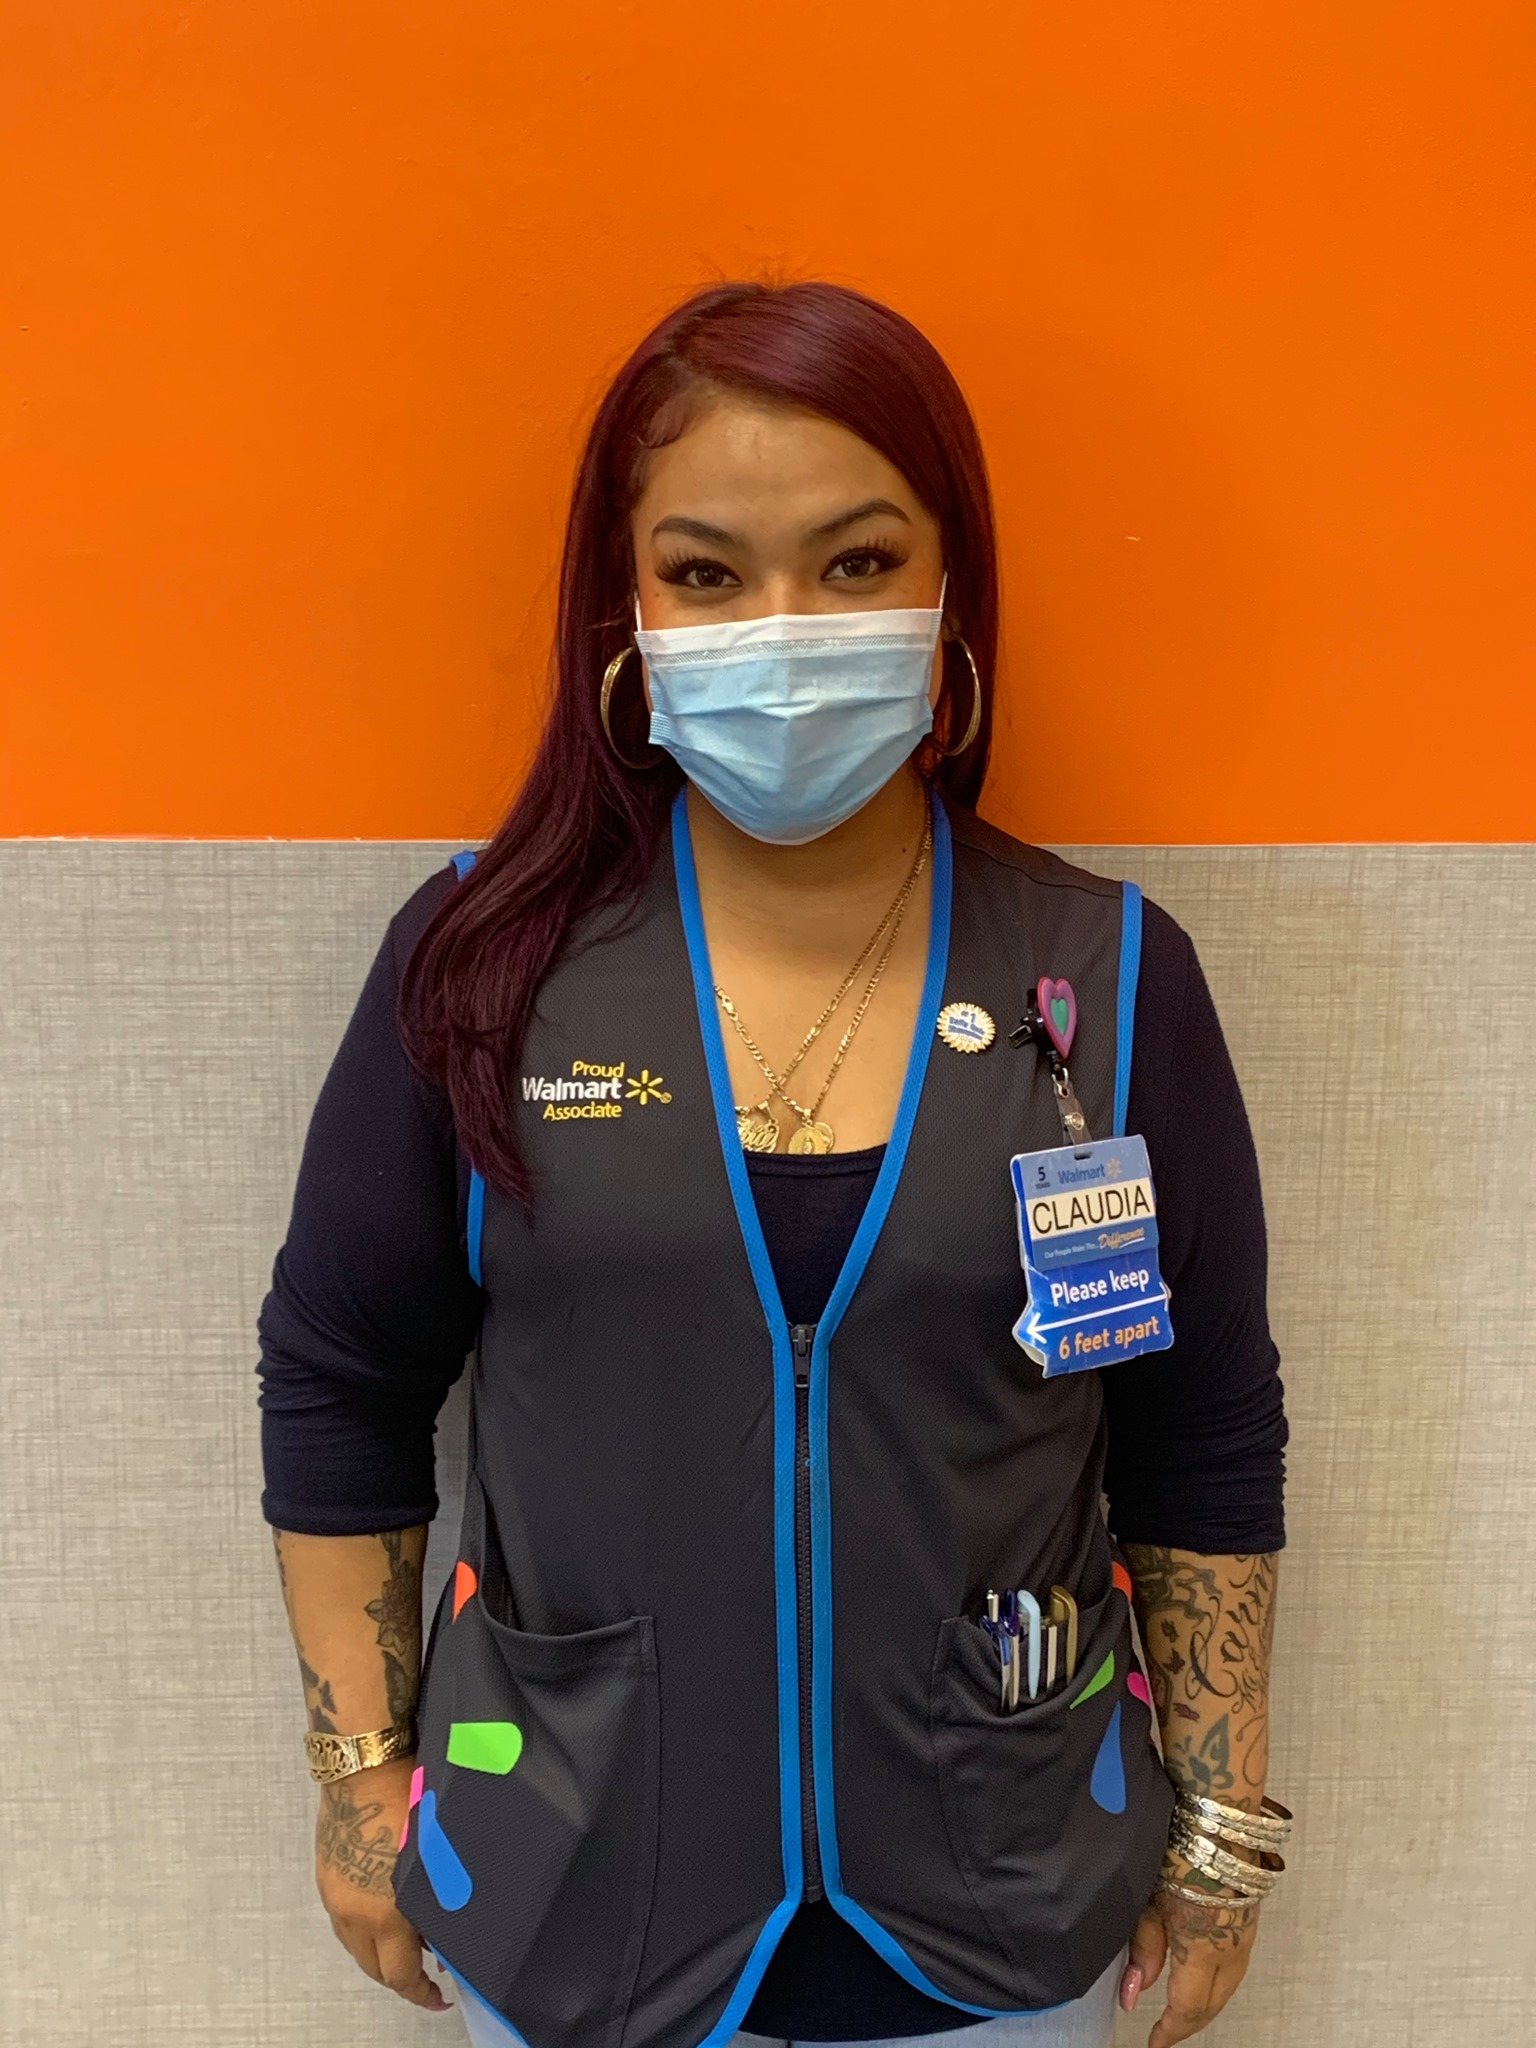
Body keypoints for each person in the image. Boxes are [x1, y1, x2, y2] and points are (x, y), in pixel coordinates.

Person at [257, 280, 1290, 2048]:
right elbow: (342, 1379)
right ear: (628, 610)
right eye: (710, 574)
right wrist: (363, 1780)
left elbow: (1199, 1429)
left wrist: (1220, 1832)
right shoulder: (483, 969)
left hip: (1006, 1905)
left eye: (858, 562)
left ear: (952, 592)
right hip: (577, 1896)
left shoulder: (1108, 979)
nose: (787, 630)